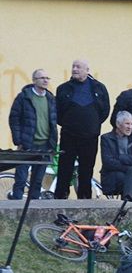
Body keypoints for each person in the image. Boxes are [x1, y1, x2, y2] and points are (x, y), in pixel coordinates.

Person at [55, 59, 110, 199]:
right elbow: (57, 112)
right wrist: (69, 123)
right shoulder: (63, 88)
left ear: (87, 70)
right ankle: (60, 200)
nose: (74, 69)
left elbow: (105, 111)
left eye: (78, 67)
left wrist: (93, 124)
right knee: (64, 169)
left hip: (90, 137)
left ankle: (85, 200)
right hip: (69, 136)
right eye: (73, 66)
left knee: (86, 171)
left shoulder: (99, 88)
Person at [8, 68, 57, 200]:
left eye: (47, 78)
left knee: (37, 180)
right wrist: (18, 140)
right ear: (34, 80)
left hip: (45, 145)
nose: (46, 80)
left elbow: (53, 121)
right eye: (42, 78)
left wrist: (53, 142)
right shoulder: (24, 97)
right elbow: (14, 118)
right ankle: (16, 208)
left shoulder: (51, 98)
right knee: (21, 178)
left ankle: (34, 207)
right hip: (28, 144)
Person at [99, 111, 132, 202]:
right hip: (112, 177)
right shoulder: (106, 138)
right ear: (118, 124)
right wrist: (128, 168)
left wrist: (122, 157)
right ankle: (128, 204)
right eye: (127, 124)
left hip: (131, 176)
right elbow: (108, 162)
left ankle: (127, 201)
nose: (130, 127)